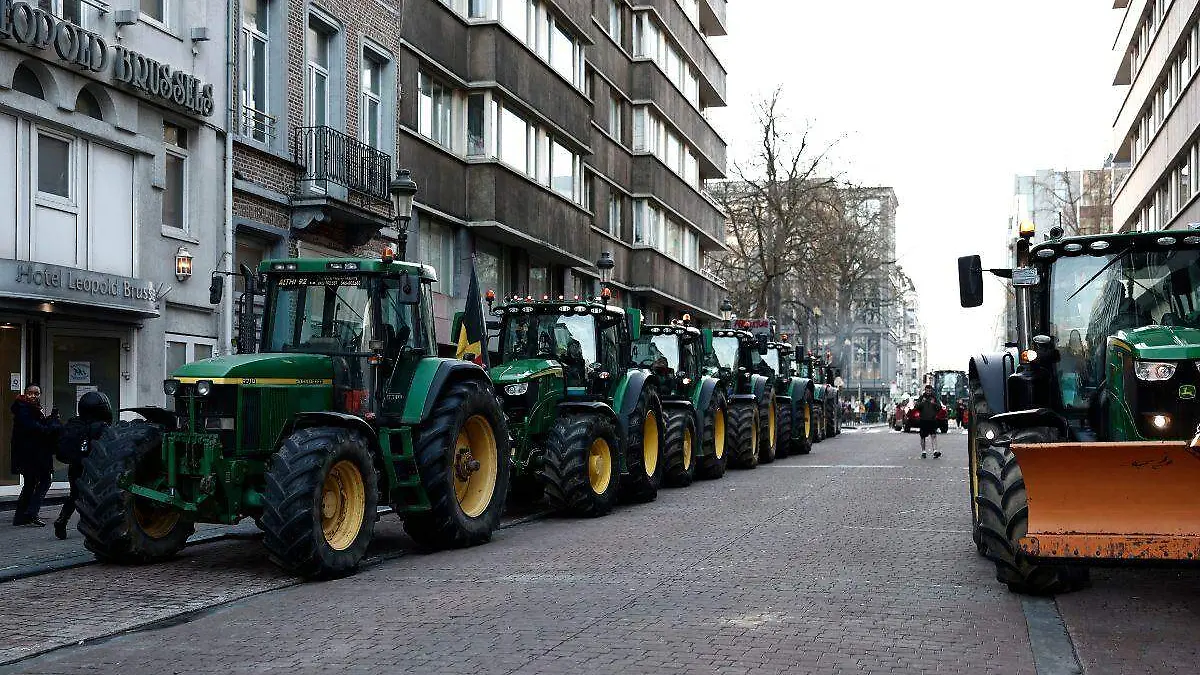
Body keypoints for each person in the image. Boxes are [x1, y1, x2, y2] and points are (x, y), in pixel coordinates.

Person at [53, 391, 114, 540]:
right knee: (92, 497)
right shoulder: (100, 426)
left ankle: (62, 519)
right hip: (93, 466)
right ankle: (90, 525)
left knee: (75, 495)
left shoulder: (74, 423)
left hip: (75, 465)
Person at [11, 384, 61, 527]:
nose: (33, 396)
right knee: (45, 480)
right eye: (30, 393)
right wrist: (52, 425)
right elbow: (36, 429)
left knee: (30, 484)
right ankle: (32, 512)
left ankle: (21, 517)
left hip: (31, 454)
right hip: (32, 454)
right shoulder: (23, 410)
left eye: (36, 393)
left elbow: (39, 426)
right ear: (25, 394)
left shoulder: (30, 408)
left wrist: (51, 418)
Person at [916, 384, 941, 459]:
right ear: (925, 390)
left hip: (932, 419)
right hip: (923, 419)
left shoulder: (934, 398)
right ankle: (923, 451)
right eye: (927, 390)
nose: (928, 392)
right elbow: (916, 407)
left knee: (933, 435)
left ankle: (935, 451)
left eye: (929, 391)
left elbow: (939, 407)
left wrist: (934, 403)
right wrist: (922, 403)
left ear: (931, 391)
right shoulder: (921, 398)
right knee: (923, 436)